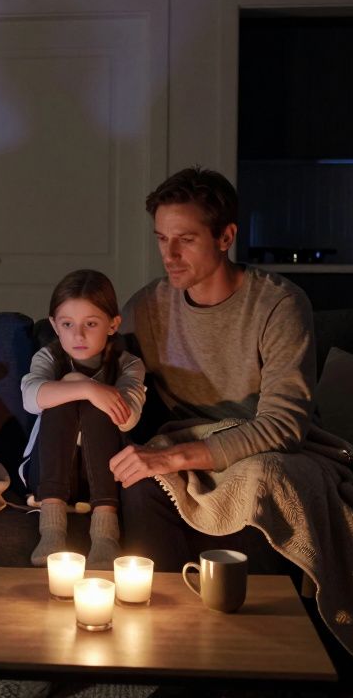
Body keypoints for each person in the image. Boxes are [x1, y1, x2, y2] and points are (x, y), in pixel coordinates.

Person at [109, 166, 317, 570]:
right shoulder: (147, 307)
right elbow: (91, 356)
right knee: (139, 482)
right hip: (182, 448)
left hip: (260, 453)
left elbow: (284, 426)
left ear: (225, 237)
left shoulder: (279, 305)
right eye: (162, 239)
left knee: (264, 480)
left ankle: (257, 608)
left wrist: (173, 459)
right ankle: (167, 606)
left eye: (185, 240)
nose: (169, 255)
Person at [19, 270, 145, 569]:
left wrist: (92, 391)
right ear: (54, 325)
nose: (78, 335)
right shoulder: (48, 358)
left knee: (100, 405)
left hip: (103, 477)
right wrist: (85, 387)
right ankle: (52, 530)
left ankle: (105, 535)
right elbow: (30, 398)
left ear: (113, 324)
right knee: (60, 399)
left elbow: (128, 419)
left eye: (91, 324)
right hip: (47, 473)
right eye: (67, 324)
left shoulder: (128, 364)